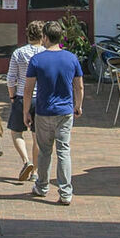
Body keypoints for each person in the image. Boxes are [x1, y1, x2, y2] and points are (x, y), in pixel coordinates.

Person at [26, 21, 84, 206]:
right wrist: (78, 105)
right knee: (63, 151)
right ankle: (66, 192)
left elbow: (28, 89)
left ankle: (42, 186)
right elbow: (79, 85)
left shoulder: (37, 60)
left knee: (44, 151)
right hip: (65, 110)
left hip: (44, 111)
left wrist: (26, 111)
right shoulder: (71, 58)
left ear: (45, 37)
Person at [3, 29, 39, 182]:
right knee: (37, 136)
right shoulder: (45, 53)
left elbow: (11, 77)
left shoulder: (18, 53)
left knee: (16, 131)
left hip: (22, 95)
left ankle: (26, 160)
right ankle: (35, 172)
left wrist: (12, 96)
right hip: (41, 97)